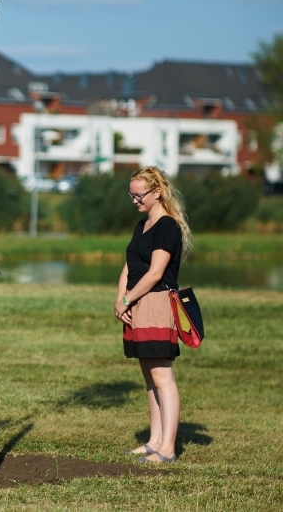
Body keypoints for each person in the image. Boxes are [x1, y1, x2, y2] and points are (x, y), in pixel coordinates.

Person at [114, 166, 192, 464]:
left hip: (157, 303)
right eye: (131, 195)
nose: (135, 200)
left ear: (156, 192)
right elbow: (130, 266)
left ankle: (168, 448)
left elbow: (156, 272)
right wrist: (120, 300)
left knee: (163, 376)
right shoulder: (142, 226)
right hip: (136, 304)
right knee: (149, 375)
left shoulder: (167, 227)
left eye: (139, 195)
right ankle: (154, 441)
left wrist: (127, 298)